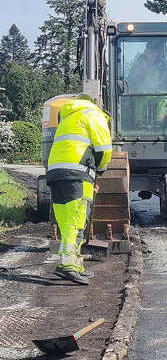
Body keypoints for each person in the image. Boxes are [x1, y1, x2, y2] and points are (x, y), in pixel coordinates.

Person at [46, 94, 112, 285]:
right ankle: (68, 264)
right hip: (77, 174)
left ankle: (74, 263)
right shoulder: (94, 114)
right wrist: (99, 170)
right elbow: (104, 149)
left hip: (55, 174)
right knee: (77, 221)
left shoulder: (68, 117)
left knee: (67, 223)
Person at [126, 39, 167, 128]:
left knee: (164, 97)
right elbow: (130, 79)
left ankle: (158, 123)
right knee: (140, 96)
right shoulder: (138, 64)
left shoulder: (162, 65)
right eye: (150, 51)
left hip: (158, 93)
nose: (152, 54)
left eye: (154, 52)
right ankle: (140, 123)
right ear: (146, 51)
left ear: (157, 53)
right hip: (142, 93)